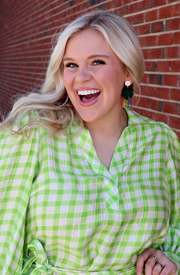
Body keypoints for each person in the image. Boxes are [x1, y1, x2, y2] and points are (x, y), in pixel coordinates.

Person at [0, 10, 179, 275]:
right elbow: (4, 238)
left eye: (96, 62)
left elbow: (177, 227)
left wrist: (172, 261)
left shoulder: (160, 140)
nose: (80, 76)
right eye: (71, 65)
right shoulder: (32, 133)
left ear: (127, 72)